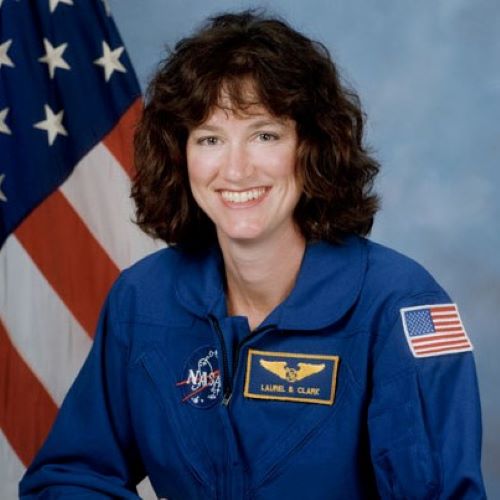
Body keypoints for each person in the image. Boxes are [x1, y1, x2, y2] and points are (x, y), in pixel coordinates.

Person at [20, 10, 486, 499]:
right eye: (210, 139)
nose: (236, 169)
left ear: (311, 147)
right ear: (180, 155)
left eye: (265, 134)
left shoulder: (403, 306)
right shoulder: (143, 300)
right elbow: (69, 478)